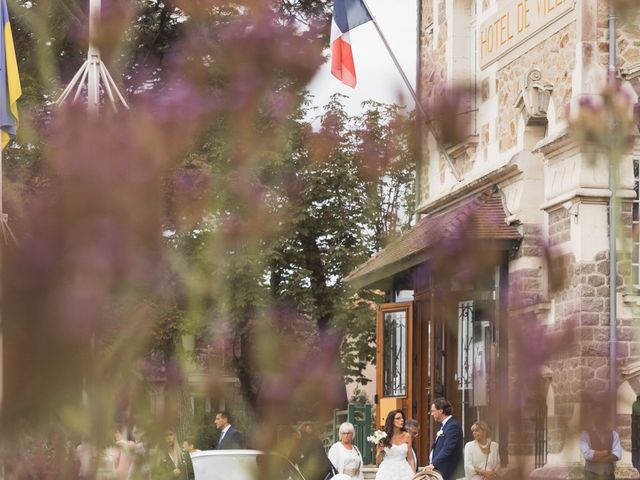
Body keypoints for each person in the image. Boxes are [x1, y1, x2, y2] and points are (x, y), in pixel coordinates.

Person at [422, 398, 463, 480]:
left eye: (433, 411)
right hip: (441, 470)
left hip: (447, 471)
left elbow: (447, 448)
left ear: (440, 411)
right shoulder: (446, 425)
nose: (431, 414)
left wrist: (433, 464)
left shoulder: (452, 426)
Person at [580, 402, 621, 480]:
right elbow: (587, 455)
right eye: (596, 414)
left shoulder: (614, 434)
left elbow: (618, 455)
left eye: (601, 414)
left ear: (605, 416)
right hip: (591, 475)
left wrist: (596, 457)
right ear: (592, 415)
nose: (599, 417)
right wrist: (608, 452)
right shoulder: (585, 434)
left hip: (609, 475)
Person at [375, 409, 416, 480]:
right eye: (398, 418)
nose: (402, 420)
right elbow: (378, 460)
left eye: (402, 418)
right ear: (391, 421)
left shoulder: (407, 436)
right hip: (387, 471)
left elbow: (410, 458)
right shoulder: (383, 436)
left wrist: (414, 475)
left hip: (404, 471)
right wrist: (379, 451)